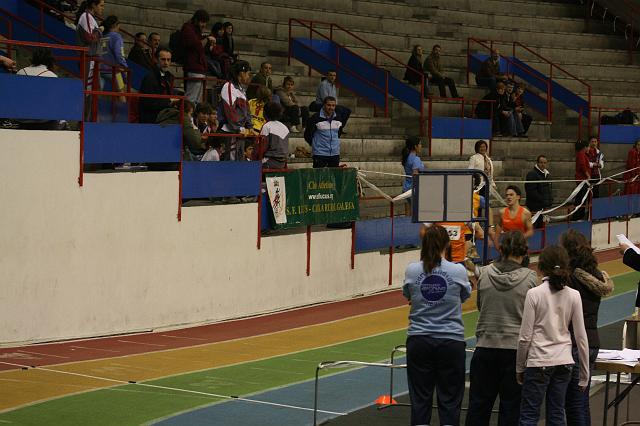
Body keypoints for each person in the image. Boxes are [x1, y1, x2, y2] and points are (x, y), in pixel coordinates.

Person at [466, 231, 537, 426]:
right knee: (511, 409)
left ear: (502, 249)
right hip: (515, 351)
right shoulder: (530, 278)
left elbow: (481, 306)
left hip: (485, 347)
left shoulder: (485, 274)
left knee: (478, 407)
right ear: (523, 251)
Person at [403, 224, 471, 426]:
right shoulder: (458, 271)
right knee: (450, 400)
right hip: (450, 340)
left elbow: (408, 296)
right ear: (447, 244)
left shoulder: (412, 270)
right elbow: (464, 296)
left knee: (420, 400)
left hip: (419, 339)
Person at [516, 244, 589, 426]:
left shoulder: (534, 294)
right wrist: (584, 374)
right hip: (564, 362)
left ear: (541, 267)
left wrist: (520, 367)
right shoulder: (574, 295)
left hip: (539, 361)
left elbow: (525, 337)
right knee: (557, 413)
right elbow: (581, 337)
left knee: (529, 415)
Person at [561, 229, 613, 426]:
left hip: (574, 342)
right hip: (591, 342)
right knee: (580, 402)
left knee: (572, 403)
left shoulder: (570, 278)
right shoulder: (596, 275)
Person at [220, 60, 254, 160]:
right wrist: (239, 128)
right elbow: (230, 110)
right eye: (248, 74)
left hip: (240, 133)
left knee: (239, 161)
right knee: (231, 163)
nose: (248, 77)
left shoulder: (241, 89)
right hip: (230, 132)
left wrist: (250, 126)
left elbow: (247, 111)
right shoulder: (229, 87)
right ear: (241, 73)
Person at [181, 9, 212, 103]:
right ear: (196, 20)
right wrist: (207, 39)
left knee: (198, 99)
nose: (204, 25)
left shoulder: (195, 30)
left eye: (205, 23)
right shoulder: (188, 28)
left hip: (199, 67)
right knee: (191, 97)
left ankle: (193, 116)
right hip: (193, 68)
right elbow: (196, 45)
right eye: (202, 22)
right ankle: (187, 116)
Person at [139, 47, 177, 124]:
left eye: (168, 60)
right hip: (152, 118)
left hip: (164, 113)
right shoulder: (149, 77)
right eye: (163, 59)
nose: (166, 63)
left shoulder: (169, 77)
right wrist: (169, 101)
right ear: (156, 60)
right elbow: (148, 103)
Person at [304, 96, 344, 168]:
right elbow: (307, 135)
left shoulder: (338, 118)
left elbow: (338, 133)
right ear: (324, 105)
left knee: (333, 178)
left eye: (333, 105)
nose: (331, 108)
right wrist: (315, 145)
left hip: (335, 154)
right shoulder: (315, 117)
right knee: (318, 178)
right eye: (328, 105)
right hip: (320, 154)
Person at [75, 0, 104, 91]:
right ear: (93, 5)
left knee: (94, 91)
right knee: (87, 92)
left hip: (93, 60)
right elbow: (90, 38)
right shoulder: (86, 16)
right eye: (101, 5)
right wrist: (100, 30)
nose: (102, 8)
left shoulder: (92, 18)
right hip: (88, 60)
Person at [311, 70, 350, 134]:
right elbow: (325, 99)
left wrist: (335, 105)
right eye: (331, 75)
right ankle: (336, 129)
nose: (332, 77)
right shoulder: (323, 84)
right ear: (327, 76)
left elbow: (335, 98)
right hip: (321, 104)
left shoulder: (333, 85)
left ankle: (340, 128)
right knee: (338, 110)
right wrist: (334, 106)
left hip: (330, 104)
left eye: (334, 75)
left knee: (347, 111)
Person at [99, 16, 127, 99]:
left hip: (99, 70)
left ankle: (94, 111)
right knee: (121, 92)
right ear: (115, 25)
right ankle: (123, 111)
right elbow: (119, 55)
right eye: (119, 25)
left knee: (97, 94)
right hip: (113, 71)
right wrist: (125, 67)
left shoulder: (101, 36)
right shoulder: (116, 36)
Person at [525, 155, 552, 229]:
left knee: (543, 228)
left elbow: (549, 190)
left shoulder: (547, 175)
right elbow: (531, 192)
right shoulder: (531, 174)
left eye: (545, 163)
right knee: (534, 228)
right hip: (535, 208)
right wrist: (543, 201)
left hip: (544, 208)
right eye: (541, 162)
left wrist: (549, 202)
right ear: (537, 163)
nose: (543, 164)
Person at [260, 101, 290, 169]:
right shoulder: (284, 127)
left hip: (269, 161)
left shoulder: (267, 126)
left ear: (265, 113)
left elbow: (262, 147)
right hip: (282, 163)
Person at [401, 136, 426, 214]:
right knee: (415, 214)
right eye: (420, 144)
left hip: (406, 187)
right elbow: (416, 176)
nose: (421, 146)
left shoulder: (407, 157)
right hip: (414, 190)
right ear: (415, 146)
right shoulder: (416, 159)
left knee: (407, 214)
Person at [572, 140, 591, 221]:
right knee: (581, 199)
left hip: (583, 180)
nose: (589, 148)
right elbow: (582, 165)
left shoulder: (583, 154)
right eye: (589, 146)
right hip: (582, 180)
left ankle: (579, 215)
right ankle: (577, 216)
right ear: (585, 147)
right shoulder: (581, 154)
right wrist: (588, 175)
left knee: (582, 198)